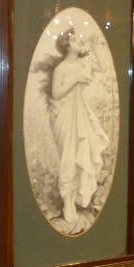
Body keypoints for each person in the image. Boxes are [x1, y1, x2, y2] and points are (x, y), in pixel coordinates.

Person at [49, 27, 110, 223]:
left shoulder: (85, 63)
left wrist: (95, 46)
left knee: (80, 155)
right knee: (68, 158)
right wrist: (75, 79)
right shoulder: (61, 69)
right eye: (74, 38)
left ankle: (74, 201)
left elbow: (104, 67)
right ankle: (67, 203)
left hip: (81, 114)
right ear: (67, 44)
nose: (79, 41)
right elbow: (56, 94)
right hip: (65, 116)